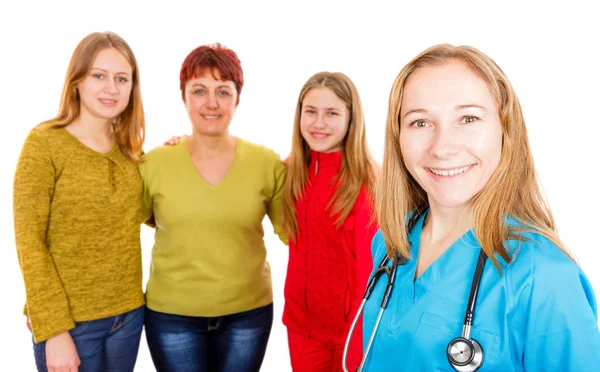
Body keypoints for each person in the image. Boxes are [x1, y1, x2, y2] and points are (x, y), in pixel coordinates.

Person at [347, 44, 600, 371]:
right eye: (420, 123)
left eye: (468, 118)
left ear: (505, 130)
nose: (442, 148)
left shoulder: (544, 276)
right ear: (397, 136)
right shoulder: (390, 242)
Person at [139, 43, 286, 372]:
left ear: (237, 99)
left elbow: (296, 234)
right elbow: (128, 224)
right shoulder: (154, 163)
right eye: (199, 90)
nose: (211, 103)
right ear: (184, 97)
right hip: (172, 317)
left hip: (248, 315)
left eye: (223, 91)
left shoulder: (267, 163)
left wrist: (310, 167)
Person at [13, 31, 146, 372]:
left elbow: (161, 212)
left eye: (122, 79)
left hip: (129, 317)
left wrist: (183, 158)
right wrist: (53, 328)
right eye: (99, 76)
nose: (111, 88)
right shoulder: (44, 144)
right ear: (77, 81)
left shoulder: (130, 151)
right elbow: (29, 241)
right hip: (71, 324)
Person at [281, 71, 379, 372]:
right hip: (302, 327)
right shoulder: (289, 172)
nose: (318, 123)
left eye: (332, 113)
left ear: (351, 119)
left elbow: (369, 269)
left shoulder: (367, 183)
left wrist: (360, 336)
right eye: (310, 111)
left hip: (351, 333)